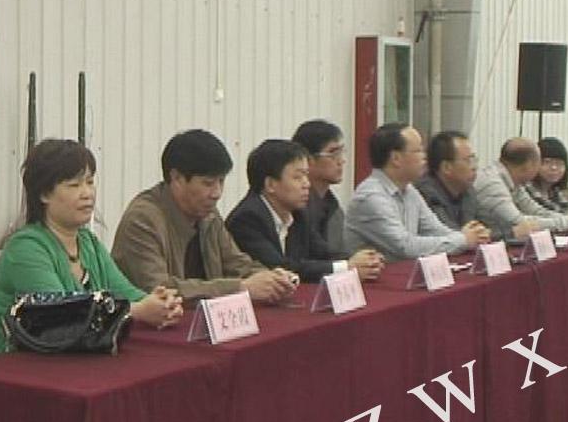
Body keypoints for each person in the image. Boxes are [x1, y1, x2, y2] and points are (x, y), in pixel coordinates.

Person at [0, 139, 182, 358]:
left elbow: (128, 293)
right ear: (44, 194)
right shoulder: (25, 248)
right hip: (7, 365)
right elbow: (65, 315)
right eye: (74, 185)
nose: (87, 193)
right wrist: (138, 311)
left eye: (90, 182)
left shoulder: (89, 244)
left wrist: (161, 302)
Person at [112, 129, 297, 303]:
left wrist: (271, 278)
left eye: (221, 182)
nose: (217, 193)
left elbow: (236, 263)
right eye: (208, 183)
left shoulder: (208, 214)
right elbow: (158, 290)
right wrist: (240, 288)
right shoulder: (143, 219)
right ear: (176, 178)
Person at [226, 139, 383, 282]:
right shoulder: (246, 219)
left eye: (306, 176)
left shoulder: (297, 213)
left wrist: (362, 261)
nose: (307, 184)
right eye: (298, 177)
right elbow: (280, 268)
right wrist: (346, 267)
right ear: (270, 185)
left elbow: (323, 253)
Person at [344, 123, 489, 261]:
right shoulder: (371, 196)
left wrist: (474, 236)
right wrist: (463, 240)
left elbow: (436, 230)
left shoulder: (409, 190)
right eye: (418, 151)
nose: (425, 156)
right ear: (396, 158)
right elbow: (406, 246)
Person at [472, 137, 568, 239]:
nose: (554, 168)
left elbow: (535, 210)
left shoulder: (513, 181)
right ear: (529, 165)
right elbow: (520, 223)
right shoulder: (492, 184)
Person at [291, 120, 347, 253]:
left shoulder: (333, 207)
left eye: (341, 153)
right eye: (333, 154)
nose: (341, 161)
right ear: (308, 160)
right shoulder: (295, 207)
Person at [415, 130, 480, 230]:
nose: (474, 167)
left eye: (474, 160)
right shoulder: (426, 194)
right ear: (446, 167)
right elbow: (444, 232)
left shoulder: (468, 191)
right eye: (468, 161)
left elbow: (487, 226)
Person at [525, 137, 568, 214]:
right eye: (547, 162)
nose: (554, 167)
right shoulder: (525, 192)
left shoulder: (555, 193)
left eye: (559, 163)